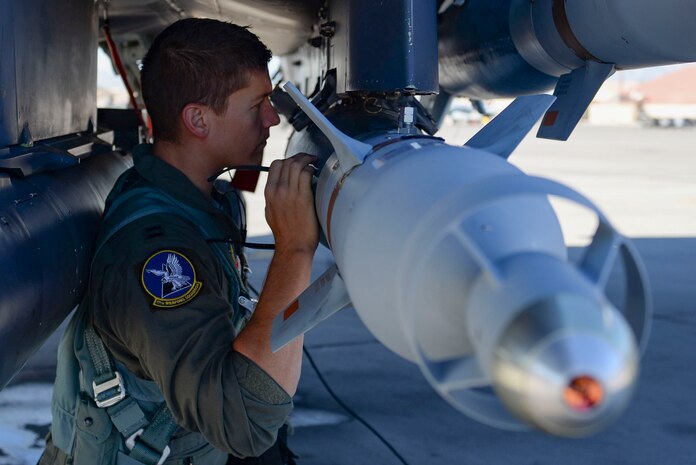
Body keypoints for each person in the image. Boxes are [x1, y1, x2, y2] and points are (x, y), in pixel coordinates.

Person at [39, 18, 318, 465]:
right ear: (198, 120)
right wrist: (295, 249)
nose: (273, 118)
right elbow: (244, 423)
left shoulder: (207, 200)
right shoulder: (158, 251)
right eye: (259, 104)